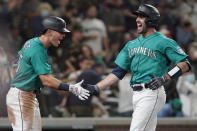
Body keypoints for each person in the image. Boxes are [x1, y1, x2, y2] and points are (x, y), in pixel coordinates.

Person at [83, 4, 191, 131]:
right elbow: (118, 72)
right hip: (136, 95)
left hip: (152, 92)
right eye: (137, 16)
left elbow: (184, 64)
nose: (137, 19)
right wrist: (97, 87)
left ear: (151, 20)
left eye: (141, 16)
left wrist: (165, 78)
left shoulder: (164, 41)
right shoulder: (131, 44)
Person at [6, 16, 90, 131]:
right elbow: (45, 80)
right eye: (60, 32)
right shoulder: (38, 49)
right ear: (49, 31)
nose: (63, 35)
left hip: (27, 95)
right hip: (21, 96)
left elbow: (15, 63)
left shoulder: (32, 42)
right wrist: (70, 87)